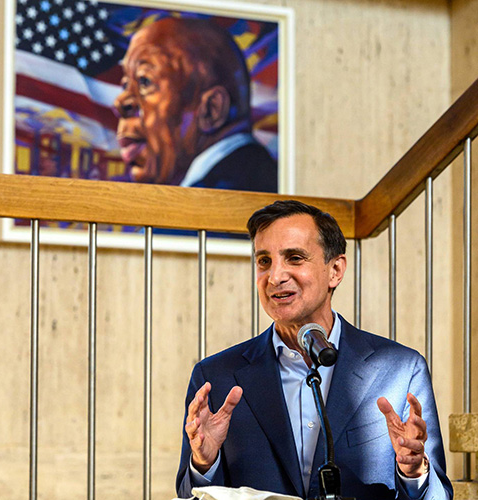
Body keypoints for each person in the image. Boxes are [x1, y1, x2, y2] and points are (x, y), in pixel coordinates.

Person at [176, 201, 453, 499]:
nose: (275, 276)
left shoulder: (401, 370)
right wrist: (204, 463)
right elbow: (188, 495)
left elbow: (438, 494)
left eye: (294, 258)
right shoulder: (215, 376)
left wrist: (414, 472)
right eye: (264, 261)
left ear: (335, 270)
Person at [113, 17, 277, 192]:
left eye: (145, 81)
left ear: (211, 110)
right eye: (125, 85)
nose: (119, 102)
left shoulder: (233, 194)